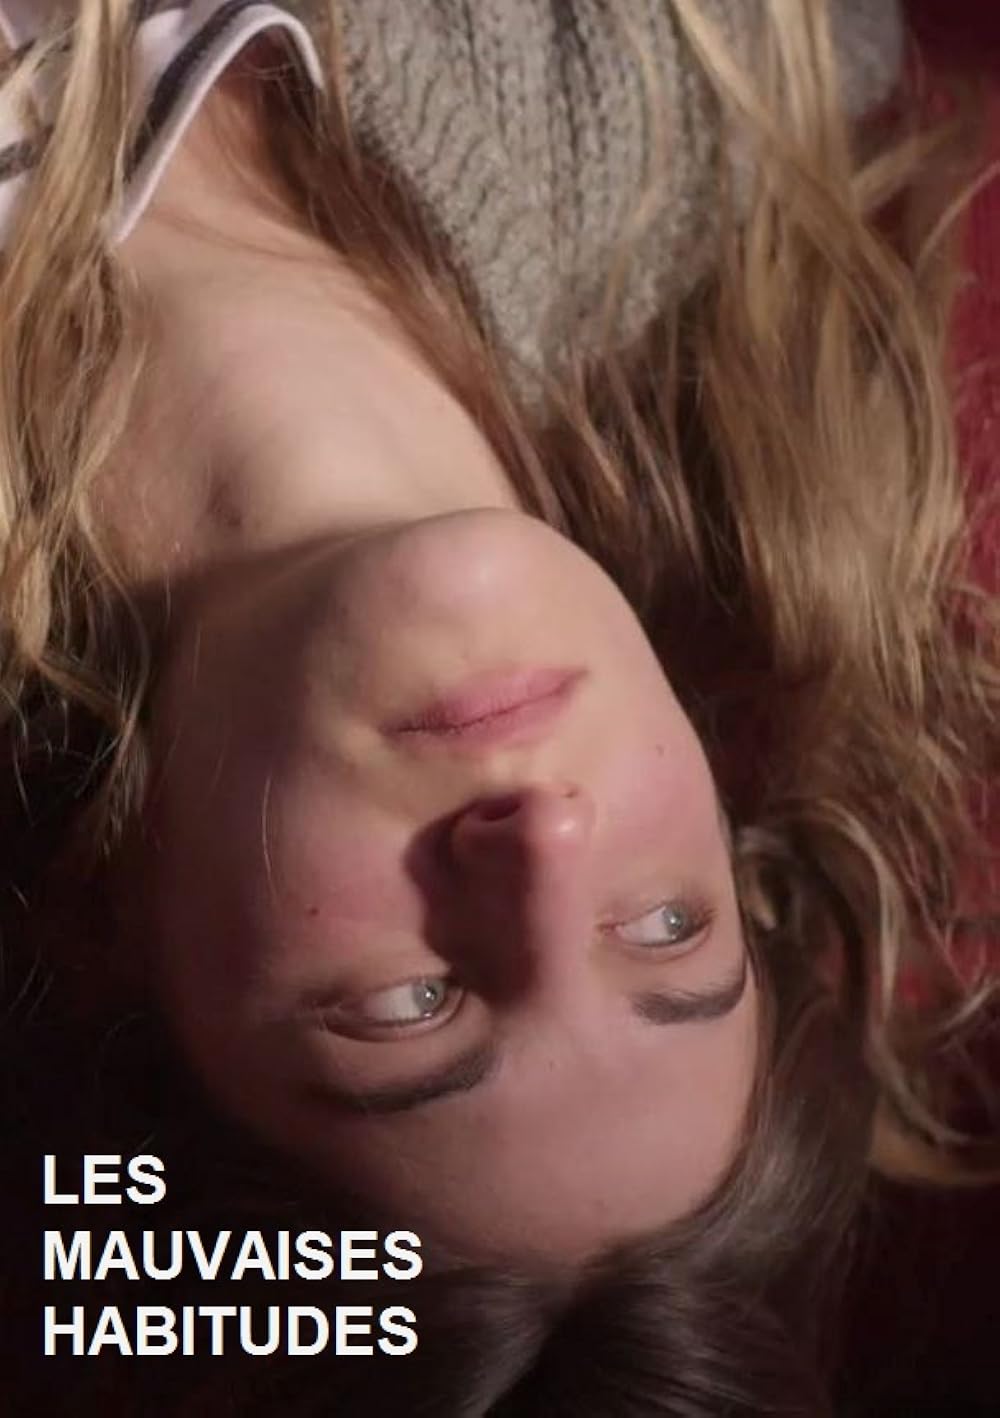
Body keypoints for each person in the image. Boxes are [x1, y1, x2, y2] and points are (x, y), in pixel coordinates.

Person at [0, 1, 996, 1413]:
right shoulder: (688, 82)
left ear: (123, 971)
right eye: (668, 927)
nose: (543, 843)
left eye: (413, 1006)